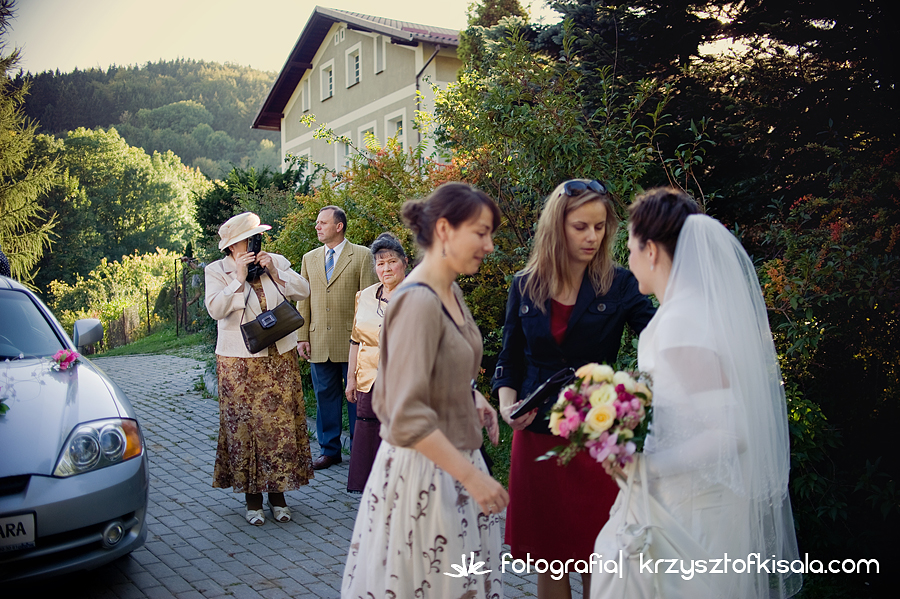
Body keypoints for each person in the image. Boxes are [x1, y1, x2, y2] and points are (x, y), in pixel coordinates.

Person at [591, 188, 802, 598]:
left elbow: (730, 432)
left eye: (631, 247)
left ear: (651, 250)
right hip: (687, 497)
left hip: (691, 508)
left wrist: (646, 466)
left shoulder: (682, 322)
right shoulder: (690, 311)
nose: (627, 259)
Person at [342, 182, 509, 598]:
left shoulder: (449, 290)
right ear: (446, 231)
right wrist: (473, 477)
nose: (489, 245)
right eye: (481, 232)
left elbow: (441, 365)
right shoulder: (417, 301)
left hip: (456, 465)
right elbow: (403, 413)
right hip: (428, 478)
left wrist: (471, 395)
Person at [493, 179, 655, 599]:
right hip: (536, 438)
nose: (592, 237)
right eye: (581, 226)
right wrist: (507, 406)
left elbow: (660, 337)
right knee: (551, 559)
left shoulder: (620, 283)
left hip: (596, 438)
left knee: (599, 557)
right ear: (557, 227)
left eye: (600, 227)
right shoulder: (525, 284)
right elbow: (509, 360)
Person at [205, 212, 314, 526]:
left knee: (279, 429)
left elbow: (303, 290)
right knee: (246, 430)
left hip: (278, 358)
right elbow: (215, 309)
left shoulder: (273, 260)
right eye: (247, 239)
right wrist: (239, 279)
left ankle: (279, 497)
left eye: (256, 237)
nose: (254, 243)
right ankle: (253, 501)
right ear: (232, 246)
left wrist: (276, 272)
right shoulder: (218, 270)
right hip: (238, 364)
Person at [297, 206, 378, 470]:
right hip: (318, 340)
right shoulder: (309, 258)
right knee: (324, 398)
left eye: (323, 223)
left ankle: (359, 450)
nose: (318, 227)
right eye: (317, 223)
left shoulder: (363, 256)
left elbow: (368, 301)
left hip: (353, 342)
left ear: (339, 226)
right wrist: (302, 336)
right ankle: (329, 450)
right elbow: (304, 301)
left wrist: (365, 339)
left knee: (356, 398)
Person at [344, 232, 408, 492]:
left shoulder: (417, 294)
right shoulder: (365, 295)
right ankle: (373, 493)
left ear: (404, 262)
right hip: (368, 379)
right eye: (380, 264)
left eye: (391, 261)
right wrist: (351, 379)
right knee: (369, 435)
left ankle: (400, 491)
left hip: (404, 379)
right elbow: (355, 340)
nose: (386, 268)